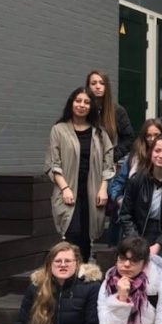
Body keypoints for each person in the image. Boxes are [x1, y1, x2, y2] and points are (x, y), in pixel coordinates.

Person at [45, 87, 115, 262]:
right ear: (71, 103)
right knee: (71, 233)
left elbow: (108, 163)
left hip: (92, 192)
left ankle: (83, 272)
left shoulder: (99, 133)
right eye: (78, 101)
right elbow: (53, 163)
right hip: (68, 191)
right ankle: (69, 271)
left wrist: (103, 188)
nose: (82, 105)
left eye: (86, 102)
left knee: (86, 237)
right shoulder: (59, 130)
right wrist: (65, 188)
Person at [14, 242, 102, 324]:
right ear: (50, 264)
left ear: (77, 263)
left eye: (68, 261)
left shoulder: (91, 287)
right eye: (58, 261)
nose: (63, 265)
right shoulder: (36, 287)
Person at [118, 134, 162, 272]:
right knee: (132, 268)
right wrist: (136, 242)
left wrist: (159, 245)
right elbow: (125, 215)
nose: (161, 155)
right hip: (137, 231)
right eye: (157, 151)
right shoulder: (136, 180)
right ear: (151, 153)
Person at [108, 119, 162, 246]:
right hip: (131, 219)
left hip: (158, 220)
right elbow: (117, 184)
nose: (152, 139)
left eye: (156, 135)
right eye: (148, 135)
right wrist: (120, 200)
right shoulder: (134, 158)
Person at [87, 70, 135, 163]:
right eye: (93, 83)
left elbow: (129, 139)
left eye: (102, 83)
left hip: (106, 164)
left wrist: (113, 155)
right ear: (88, 86)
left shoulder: (117, 111)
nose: (98, 86)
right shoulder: (83, 108)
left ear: (107, 87)